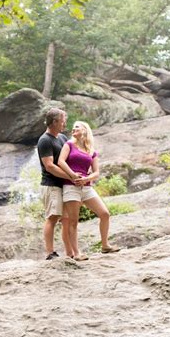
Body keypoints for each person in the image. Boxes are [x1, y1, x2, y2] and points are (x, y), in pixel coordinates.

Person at [57, 120, 120, 259]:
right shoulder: (69, 145)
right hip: (70, 186)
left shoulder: (92, 151)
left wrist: (86, 179)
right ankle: (76, 253)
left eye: (77, 127)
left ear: (85, 130)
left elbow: (96, 172)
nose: (73, 129)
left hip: (86, 187)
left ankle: (105, 245)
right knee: (73, 221)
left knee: (104, 213)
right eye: (73, 127)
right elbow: (60, 162)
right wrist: (72, 175)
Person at [37, 108, 83, 260]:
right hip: (51, 185)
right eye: (63, 121)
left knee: (67, 220)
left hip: (64, 185)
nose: (65, 124)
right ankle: (50, 253)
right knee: (53, 217)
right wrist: (71, 176)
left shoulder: (62, 138)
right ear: (55, 122)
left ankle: (70, 253)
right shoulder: (45, 140)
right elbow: (50, 166)